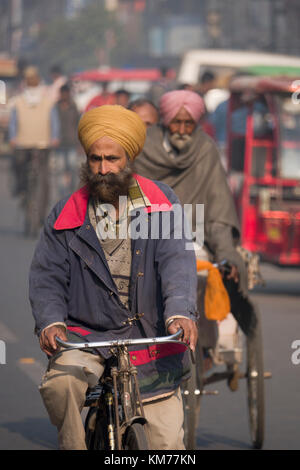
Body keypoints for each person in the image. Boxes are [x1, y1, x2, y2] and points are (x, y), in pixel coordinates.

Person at [29, 104, 198, 450]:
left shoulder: (159, 202)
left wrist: (180, 312)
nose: (104, 169)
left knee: (168, 445)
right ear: (87, 160)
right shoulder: (66, 213)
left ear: (129, 159)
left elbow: (177, 260)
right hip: (85, 334)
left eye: (112, 159)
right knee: (61, 386)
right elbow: (48, 275)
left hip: (148, 336)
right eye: (96, 159)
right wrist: (50, 322)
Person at [133, 90, 258, 356]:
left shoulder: (205, 150)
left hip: (197, 238)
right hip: (150, 234)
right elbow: (133, 199)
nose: (181, 129)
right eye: (176, 122)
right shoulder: (142, 148)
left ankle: (207, 347)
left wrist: (226, 252)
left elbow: (218, 210)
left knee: (212, 273)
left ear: (197, 123)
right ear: (164, 120)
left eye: (188, 123)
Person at [9, 66, 60, 237]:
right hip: (25, 144)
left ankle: (38, 207)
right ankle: (22, 188)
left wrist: (54, 137)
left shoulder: (45, 100)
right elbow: (14, 122)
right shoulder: (20, 100)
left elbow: (53, 122)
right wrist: (13, 137)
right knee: (20, 170)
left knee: (43, 178)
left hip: (41, 145)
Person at [54, 84, 81, 197]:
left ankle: (72, 191)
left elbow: (78, 125)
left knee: (72, 168)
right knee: (60, 170)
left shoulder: (74, 107)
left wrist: (80, 144)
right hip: (59, 143)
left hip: (72, 143)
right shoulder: (55, 107)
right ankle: (62, 193)